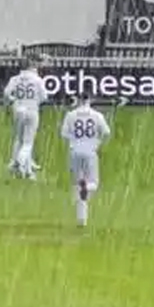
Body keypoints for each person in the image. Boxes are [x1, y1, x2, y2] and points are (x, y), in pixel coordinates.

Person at [59, 96, 111, 227]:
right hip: (90, 151)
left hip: (74, 151)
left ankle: (81, 220)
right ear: (90, 100)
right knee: (93, 183)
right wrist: (98, 143)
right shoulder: (97, 115)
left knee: (77, 184)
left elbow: (64, 134)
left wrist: (74, 141)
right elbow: (106, 132)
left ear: (78, 100)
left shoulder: (70, 115)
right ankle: (86, 188)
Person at [3, 59, 48, 179]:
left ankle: (27, 171)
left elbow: (6, 93)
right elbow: (44, 97)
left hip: (18, 109)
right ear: (30, 67)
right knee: (28, 142)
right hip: (31, 109)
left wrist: (13, 100)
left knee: (18, 139)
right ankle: (19, 161)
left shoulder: (14, 79)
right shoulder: (37, 79)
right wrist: (36, 102)